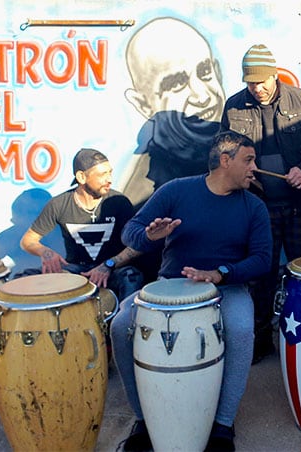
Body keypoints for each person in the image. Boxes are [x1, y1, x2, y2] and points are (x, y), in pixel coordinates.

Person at [111, 131, 272, 452]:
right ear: (225, 161)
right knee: (119, 325)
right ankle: (145, 419)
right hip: (169, 285)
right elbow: (131, 233)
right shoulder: (177, 190)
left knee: (240, 329)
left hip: (226, 288)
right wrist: (149, 236)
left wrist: (220, 274)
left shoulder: (254, 206)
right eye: (248, 160)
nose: (255, 168)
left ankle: (223, 425)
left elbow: (263, 259)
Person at [219, 44, 301, 363]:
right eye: (250, 82)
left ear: (274, 74)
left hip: (300, 204)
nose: (256, 88)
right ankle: (260, 340)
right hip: (257, 207)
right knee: (261, 274)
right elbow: (222, 151)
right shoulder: (234, 106)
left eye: (261, 81)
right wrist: (241, 169)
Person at [120, 17, 226, 210]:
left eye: (205, 72)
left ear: (216, 71)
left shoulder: (236, 146)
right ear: (143, 104)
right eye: (177, 84)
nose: (202, 96)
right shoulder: (146, 189)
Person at [18, 148, 143, 302]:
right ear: (81, 177)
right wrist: (45, 253)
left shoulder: (118, 202)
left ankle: (125, 324)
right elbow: (27, 241)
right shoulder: (59, 204)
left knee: (131, 276)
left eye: (110, 172)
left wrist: (108, 265)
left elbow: (137, 245)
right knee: (23, 278)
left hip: (112, 269)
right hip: (76, 271)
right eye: (102, 174)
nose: (109, 179)